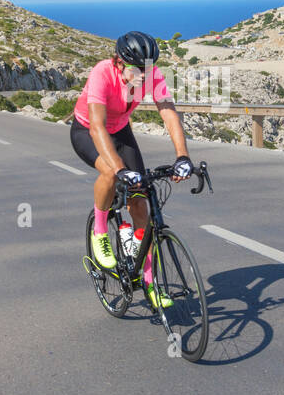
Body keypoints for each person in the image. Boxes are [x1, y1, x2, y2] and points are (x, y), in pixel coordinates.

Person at [70, 31, 194, 309]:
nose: (142, 75)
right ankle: (100, 231)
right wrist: (119, 169)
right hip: (88, 130)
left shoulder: (152, 74)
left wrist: (182, 156)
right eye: (136, 69)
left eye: (146, 69)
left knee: (141, 205)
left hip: (120, 130)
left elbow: (168, 111)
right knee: (111, 173)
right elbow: (98, 126)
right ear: (118, 61)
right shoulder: (102, 72)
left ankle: (150, 282)